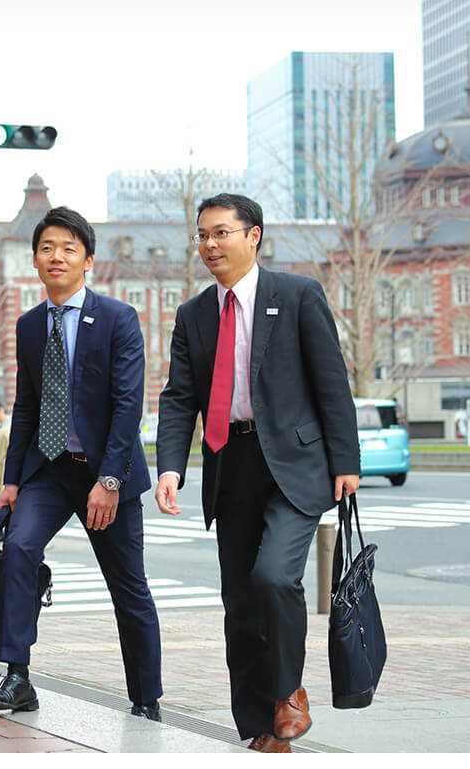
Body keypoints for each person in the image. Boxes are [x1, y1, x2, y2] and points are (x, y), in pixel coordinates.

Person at [154, 193, 360, 753]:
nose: (210, 245)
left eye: (221, 232)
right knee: (241, 603)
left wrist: (347, 462)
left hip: (294, 465)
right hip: (230, 463)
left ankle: (289, 690)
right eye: (202, 235)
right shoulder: (194, 314)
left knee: (274, 577)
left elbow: (331, 383)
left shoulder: (296, 296)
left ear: (254, 237)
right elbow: (179, 399)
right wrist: (170, 468)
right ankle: (260, 727)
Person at [0, 206, 163, 722]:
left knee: (128, 586)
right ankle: (17, 676)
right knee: (18, 550)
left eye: (68, 248)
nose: (56, 256)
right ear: (35, 261)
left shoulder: (117, 319)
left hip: (107, 473)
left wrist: (108, 478)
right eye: (46, 248)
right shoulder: (29, 325)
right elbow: (27, 406)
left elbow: (130, 405)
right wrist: (11, 479)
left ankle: (146, 698)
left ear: (88, 261)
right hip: (49, 470)